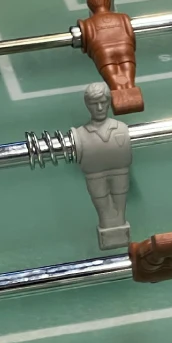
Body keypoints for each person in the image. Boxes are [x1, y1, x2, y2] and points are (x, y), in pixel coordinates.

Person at [72, 82, 132, 249]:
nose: (99, 108)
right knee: (104, 210)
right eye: (94, 103)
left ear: (109, 102)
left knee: (119, 209)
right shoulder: (81, 133)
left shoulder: (121, 127)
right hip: (95, 175)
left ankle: (118, 233)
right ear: (87, 105)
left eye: (103, 102)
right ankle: (110, 235)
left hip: (120, 172)